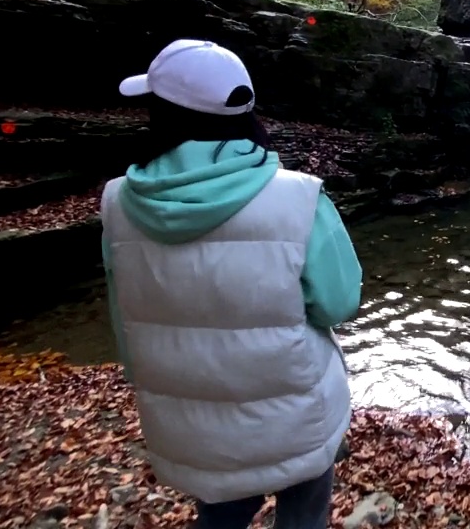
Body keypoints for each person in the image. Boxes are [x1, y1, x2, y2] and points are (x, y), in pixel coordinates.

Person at [98, 39, 362, 529]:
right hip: (293, 410)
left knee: (220, 512)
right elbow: (340, 302)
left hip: (189, 418)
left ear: (162, 113)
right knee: (304, 511)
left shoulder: (116, 204)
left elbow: (125, 318)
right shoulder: (299, 198)